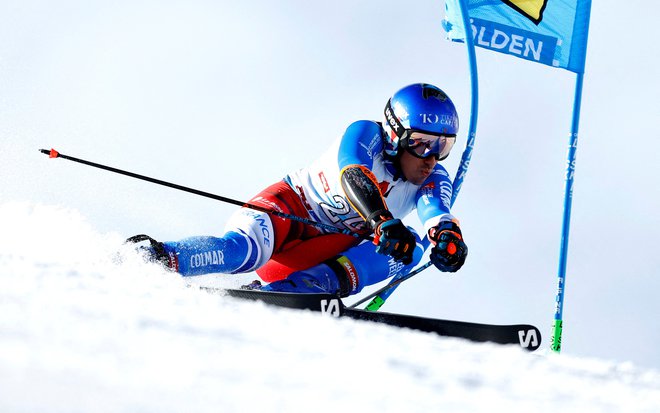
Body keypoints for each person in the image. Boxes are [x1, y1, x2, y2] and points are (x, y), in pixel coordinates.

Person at [133, 83, 468, 297]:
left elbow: (435, 213)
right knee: (241, 252)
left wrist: (448, 241)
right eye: (423, 144)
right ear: (396, 135)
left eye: (444, 145)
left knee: (411, 248)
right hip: (289, 210)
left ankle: (286, 295)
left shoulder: (433, 177)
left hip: (318, 253)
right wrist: (381, 219)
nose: (432, 157)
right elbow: (354, 174)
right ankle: (156, 257)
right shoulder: (366, 133)